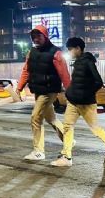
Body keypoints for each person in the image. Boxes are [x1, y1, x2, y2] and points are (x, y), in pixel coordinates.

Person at [51, 37, 105, 167]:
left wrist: (86, 94)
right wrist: (69, 93)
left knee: (95, 129)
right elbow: (77, 82)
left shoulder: (88, 62)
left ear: (78, 48)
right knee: (67, 127)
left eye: (71, 49)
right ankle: (67, 156)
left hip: (86, 103)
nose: (70, 52)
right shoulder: (78, 62)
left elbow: (98, 82)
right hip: (73, 102)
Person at [16, 25, 70, 161]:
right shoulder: (31, 53)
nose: (36, 39)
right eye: (33, 37)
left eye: (38, 36)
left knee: (35, 117)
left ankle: (38, 151)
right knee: (51, 118)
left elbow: (64, 74)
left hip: (49, 91)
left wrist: (70, 91)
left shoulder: (55, 53)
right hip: (38, 90)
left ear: (45, 36)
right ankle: (68, 139)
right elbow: (26, 71)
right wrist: (19, 88)